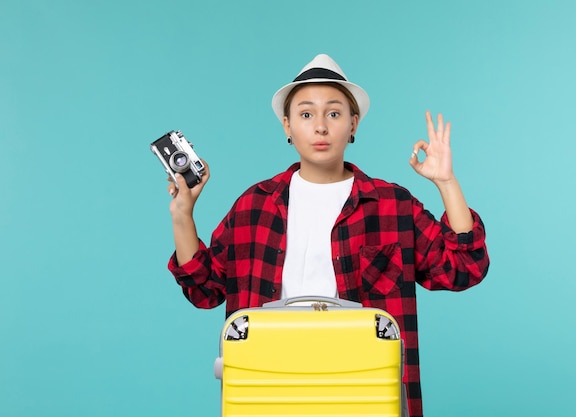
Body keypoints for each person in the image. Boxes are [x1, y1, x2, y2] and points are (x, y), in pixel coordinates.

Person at [165, 53, 490, 417]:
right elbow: (204, 288)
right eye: (306, 114)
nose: (320, 127)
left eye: (333, 113)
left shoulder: (392, 204)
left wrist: (447, 183)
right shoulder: (255, 205)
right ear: (287, 126)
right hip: (268, 388)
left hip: (364, 392)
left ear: (353, 124)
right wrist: (182, 215)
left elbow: (465, 267)